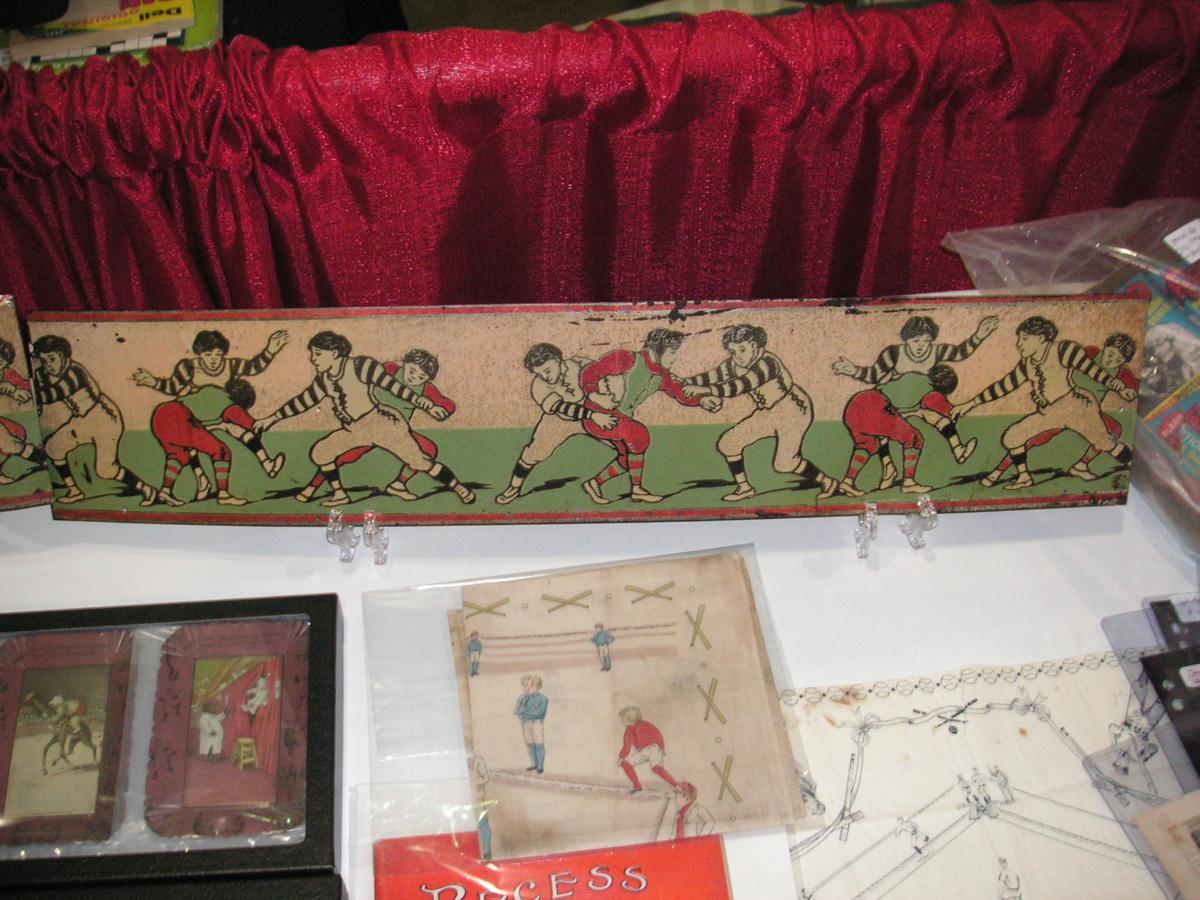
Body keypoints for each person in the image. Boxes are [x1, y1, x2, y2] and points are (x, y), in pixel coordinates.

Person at [254, 331, 474, 507]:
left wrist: (426, 404)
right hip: (354, 429)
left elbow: (395, 387)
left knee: (420, 461)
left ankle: (458, 487)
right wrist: (272, 419)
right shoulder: (323, 381)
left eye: (317, 354)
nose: (313, 359)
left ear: (334, 353)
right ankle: (340, 494)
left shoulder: (361, 365)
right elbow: (302, 401)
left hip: (381, 422)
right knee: (320, 452)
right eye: (313, 353)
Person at [953, 317, 1139, 490]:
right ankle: (1024, 477)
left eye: (1025, 339)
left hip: (1076, 405)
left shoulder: (1063, 349)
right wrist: (970, 403)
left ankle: (1134, 466)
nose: (1019, 344)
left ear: (1040, 338)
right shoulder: (1026, 364)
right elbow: (1003, 386)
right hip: (1050, 411)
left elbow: (1092, 370)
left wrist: (1119, 386)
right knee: (1012, 437)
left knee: (1105, 443)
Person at [682, 324, 848, 501]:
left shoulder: (768, 363)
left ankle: (828, 482)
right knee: (728, 443)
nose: (738, 356)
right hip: (768, 412)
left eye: (742, 349)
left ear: (754, 345)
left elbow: (740, 386)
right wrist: (683, 382)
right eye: (733, 351)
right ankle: (744, 488)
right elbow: (712, 376)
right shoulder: (734, 364)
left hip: (793, 410)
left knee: (785, 464)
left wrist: (705, 390)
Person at [295, 348, 459, 502]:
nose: (414, 378)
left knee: (427, 450)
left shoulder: (426, 389)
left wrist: (441, 409)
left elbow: (447, 404)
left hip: (395, 431)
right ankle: (311, 487)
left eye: (421, 376)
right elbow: (362, 373)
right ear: (405, 363)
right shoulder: (391, 370)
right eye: (412, 371)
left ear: (427, 379)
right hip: (367, 423)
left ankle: (399, 485)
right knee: (343, 455)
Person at [833, 315, 998, 463]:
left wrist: (979, 336)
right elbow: (873, 375)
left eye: (926, 341)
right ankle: (888, 469)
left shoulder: (936, 351)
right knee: (890, 432)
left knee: (937, 412)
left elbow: (959, 353)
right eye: (916, 341)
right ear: (906, 339)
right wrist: (853, 370)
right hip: (891, 402)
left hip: (916, 401)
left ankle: (958, 449)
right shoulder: (893, 354)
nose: (921, 346)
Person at [579, 329, 719, 504]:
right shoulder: (628, 359)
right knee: (639, 435)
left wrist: (702, 400)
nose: (675, 358)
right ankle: (637, 490)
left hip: (619, 418)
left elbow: (678, 391)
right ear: (658, 349)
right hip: (598, 414)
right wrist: (594, 395)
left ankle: (594, 483)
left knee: (627, 459)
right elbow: (590, 371)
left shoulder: (661, 375)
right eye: (672, 352)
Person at [133, 329, 288, 480]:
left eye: (218, 354)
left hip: (215, 415)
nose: (214, 359)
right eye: (208, 354)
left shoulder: (230, 365)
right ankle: (202, 480)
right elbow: (172, 387)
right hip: (192, 416)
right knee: (200, 441)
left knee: (236, 428)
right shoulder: (189, 367)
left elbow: (253, 367)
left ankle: (267, 463)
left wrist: (270, 351)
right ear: (199, 353)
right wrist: (153, 382)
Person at [32, 334, 162, 506]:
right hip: (81, 420)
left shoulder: (75, 372)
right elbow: (40, 383)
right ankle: (74, 491)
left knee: (106, 470)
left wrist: (29, 393)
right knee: (53, 448)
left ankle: (147, 489)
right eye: (44, 361)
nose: (48, 365)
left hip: (104, 417)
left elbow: (52, 394)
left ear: (63, 356)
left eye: (52, 359)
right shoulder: (44, 372)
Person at [495, 343, 618, 504]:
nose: (545, 377)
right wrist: (593, 415)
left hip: (592, 412)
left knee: (625, 444)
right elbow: (561, 408)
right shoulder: (538, 386)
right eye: (539, 374)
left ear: (557, 360)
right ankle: (514, 487)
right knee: (533, 454)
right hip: (559, 420)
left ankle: (605, 483)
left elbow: (605, 379)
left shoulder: (580, 364)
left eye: (547, 371)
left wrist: (604, 400)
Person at [0, 337, 46, 484]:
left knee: (17, 432)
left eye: (1, 361)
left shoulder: (7, 373)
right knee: (7, 441)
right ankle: (40, 457)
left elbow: (25, 385)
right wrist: (7, 388)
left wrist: (21, 390)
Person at [617, 706, 678, 793]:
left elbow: (657, 734)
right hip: (644, 751)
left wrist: (661, 748)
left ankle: (677, 785)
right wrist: (621, 757)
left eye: (623, 718)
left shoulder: (644, 725)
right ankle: (637, 787)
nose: (621, 720)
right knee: (626, 763)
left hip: (654, 748)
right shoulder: (628, 731)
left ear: (631, 718)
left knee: (656, 768)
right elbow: (627, 746)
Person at [514, 674, 548, 775]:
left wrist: (525, 710)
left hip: (537, 723)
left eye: (531, 685)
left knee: (539, 744)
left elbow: (540, 713)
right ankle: (534, 763)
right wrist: (531, 708)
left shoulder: (543, 698)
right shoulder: (522, 697)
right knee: (530, 744)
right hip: (525, 723)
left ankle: (540, 766)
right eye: (525, 685)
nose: (528, 688)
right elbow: (517, 710)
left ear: (538, 686)